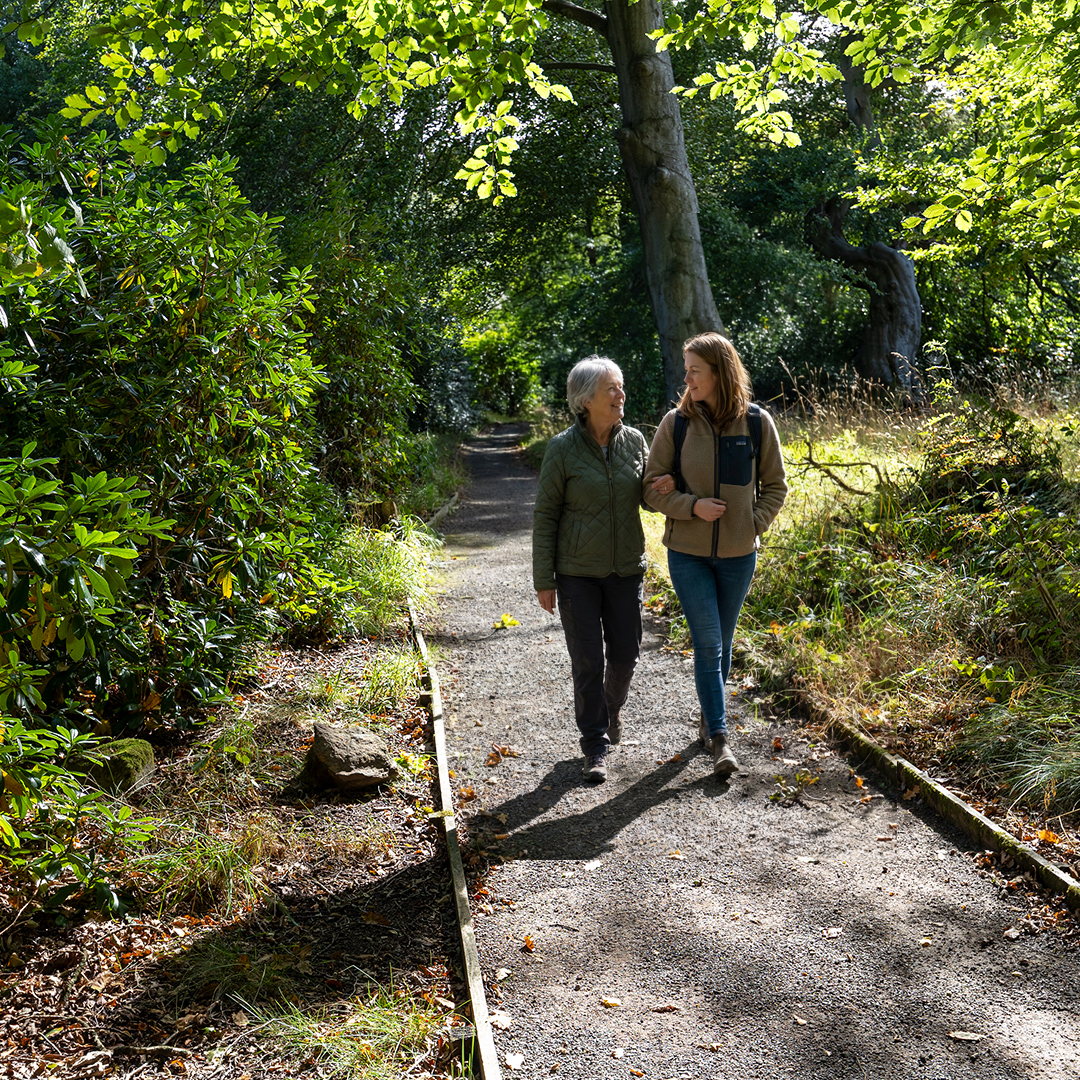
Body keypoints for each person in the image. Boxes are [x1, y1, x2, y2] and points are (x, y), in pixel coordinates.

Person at [643, 332, 787, 778]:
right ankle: (721, 739)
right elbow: (650, 489)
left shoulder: (758, 423)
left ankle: (709, 716)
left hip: (739, 557)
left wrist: (750, 523)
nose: (685, 379)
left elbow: (776, 487)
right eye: (685, 370)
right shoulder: (676, 424)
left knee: (721, 647)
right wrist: (691, 507)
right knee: (708, 642)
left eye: (694, 371)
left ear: (719, 372)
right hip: (687, 554)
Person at [533, 356, 675, 784]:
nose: (621, 395)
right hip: (576, 572)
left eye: (621, 386)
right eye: (612, 388)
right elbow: (546, 515)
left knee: (627, 654)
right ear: (586, 399)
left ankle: (611, 710)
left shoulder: (633, 440)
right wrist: (544, 579)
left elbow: (646, 498)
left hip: (625, 568)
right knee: (588, 660)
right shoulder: (561, 449)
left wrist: (660, 489)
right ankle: (594, 744)